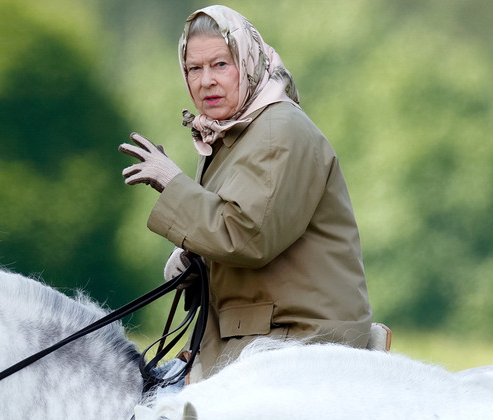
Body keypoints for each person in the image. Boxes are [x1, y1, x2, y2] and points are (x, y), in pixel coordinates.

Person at [119, 5, 372, 380]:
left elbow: (248, 236)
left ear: (248, 61)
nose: (206, 81)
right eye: (194, 68)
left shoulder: (278, 130)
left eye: (220, 64)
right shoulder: (233, 134)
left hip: (302, 344)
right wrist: (194, 261)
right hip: (257, 340)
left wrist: (173, 184)